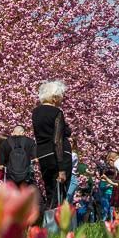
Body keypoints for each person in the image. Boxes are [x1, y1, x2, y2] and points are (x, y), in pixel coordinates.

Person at [32, 81, 71, 211]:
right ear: (54, 98)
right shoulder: (57, 112)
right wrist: (61, 168)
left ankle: (47, 222)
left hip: (43, 155)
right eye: (61, 96)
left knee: (50, 191)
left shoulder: (35, 113)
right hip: (58, 156)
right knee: (60, 192)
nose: (62, 99)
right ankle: (57, 225)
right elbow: (57, 140)